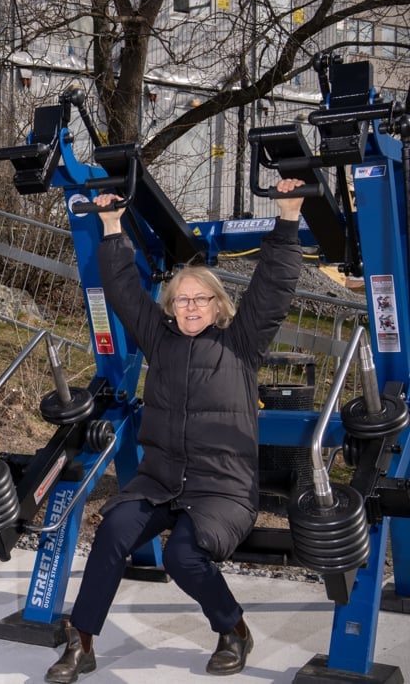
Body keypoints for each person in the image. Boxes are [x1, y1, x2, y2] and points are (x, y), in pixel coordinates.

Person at [45, 178, 307, 683]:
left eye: (200, 299)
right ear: (170, 307)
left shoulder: (241, 345)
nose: (190, 307)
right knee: (113, 531)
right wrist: (112, 225)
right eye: (181, 300)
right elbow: (123, 291)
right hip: (161, 480)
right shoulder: (159, 340)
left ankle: (233, 629)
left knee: (183, 555)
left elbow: (273, 287)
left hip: (222, 487)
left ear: (218, 306)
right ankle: (82, 642)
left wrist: (289, 218)